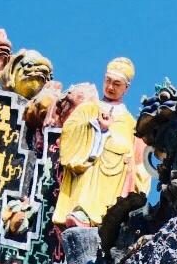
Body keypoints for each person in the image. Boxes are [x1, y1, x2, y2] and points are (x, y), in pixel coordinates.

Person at [52, 57, 152, 227]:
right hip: (90, 176)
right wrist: (97, 130)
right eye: (108, 81)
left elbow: (141, 164)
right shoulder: (87, 109)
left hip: (118, 183)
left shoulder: (132, 125)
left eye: (117, 84)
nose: (110, 87)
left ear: (126, 89)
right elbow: (70, 135)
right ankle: (82, 213)